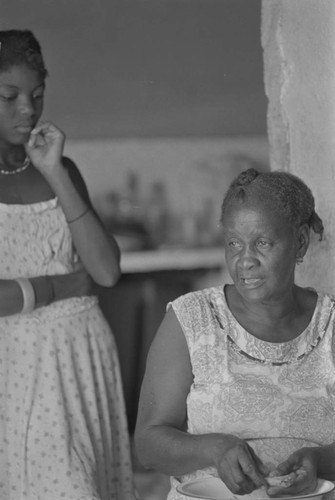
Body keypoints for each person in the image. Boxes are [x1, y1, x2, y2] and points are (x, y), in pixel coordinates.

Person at [135, 167, 335, 499]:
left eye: (263, 243)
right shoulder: (191, 319)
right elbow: (148, 444)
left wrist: (321, 459)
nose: (245, 260)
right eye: (233, 243)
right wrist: (215, 449)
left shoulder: (331, 324)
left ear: (299, 241)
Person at [0, 29, 136, 499]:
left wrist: (55, 170)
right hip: (17, 364)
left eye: (36, 96)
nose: (28, 111)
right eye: (9, 96)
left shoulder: (61, 168)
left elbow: (104, 271)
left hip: (83, 354)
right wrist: (61, 287)